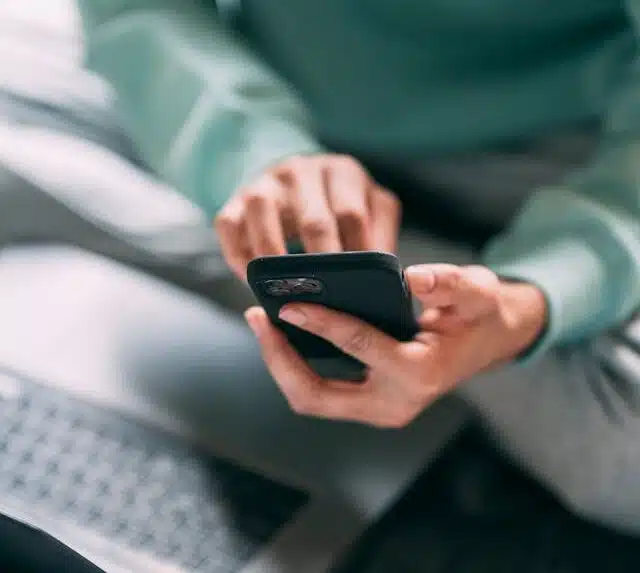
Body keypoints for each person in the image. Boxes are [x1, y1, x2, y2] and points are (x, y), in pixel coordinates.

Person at [77, 0, 640, 534]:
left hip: (569, 149)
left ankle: (282, 269)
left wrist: (537, 297)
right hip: (248, 85)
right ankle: (355, 281)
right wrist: (252, 152)